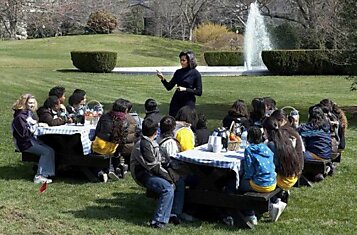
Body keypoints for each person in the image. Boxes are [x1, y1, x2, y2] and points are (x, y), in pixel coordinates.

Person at [130, 118, 184, 228]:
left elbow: (161, 161)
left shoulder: (150, 141)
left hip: (152, 172)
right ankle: (158, 221)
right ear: (156, 131)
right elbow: (153, 166)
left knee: (180, 181)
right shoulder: (144, 145)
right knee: (167, 188)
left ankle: (173, 213)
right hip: (144, 175)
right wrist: (169, 177)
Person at [12, 94, 55, 184]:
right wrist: (37, 126)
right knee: (46, 152)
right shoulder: (20, 117)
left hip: (31, 140)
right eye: (29, 103)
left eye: (33, 103)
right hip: (24, 143)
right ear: (24, 103)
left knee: (50, 150)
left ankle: (46, 174)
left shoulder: (29, 114)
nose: (32, 105)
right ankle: (39, 176)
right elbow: (23, 134)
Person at [239, 126, 277, 225]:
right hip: (272, 182)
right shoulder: (267, 147)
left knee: (238, 185)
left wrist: (243, 178)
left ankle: (249, 213)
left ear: (249, 137)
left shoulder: (249, 150)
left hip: (260, 184)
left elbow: (249, 171)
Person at [92, 98, 129, 181]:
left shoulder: (105, 116)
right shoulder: (125, 121)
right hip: (113, 147)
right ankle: (112, 170)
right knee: (112, 156)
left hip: (99, 146)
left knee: (96, 160)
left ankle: (101, 172)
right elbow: (123, 140)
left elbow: (97, 131)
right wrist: (118, 152)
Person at [262, 116, 304, 190]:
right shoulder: (285, 139)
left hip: (283, 181)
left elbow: (272, 166)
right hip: (293, 176)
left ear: (265, 130)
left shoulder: (271, 144)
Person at [157, 50, 202, 117]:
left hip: (188, 102)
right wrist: (163, 79)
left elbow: (199, 92)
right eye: (180, 60)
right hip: (177, 100)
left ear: (190, 61)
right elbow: (169, 87)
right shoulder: (178, 72)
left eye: (184, 60)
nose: (181, 62)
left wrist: (185, 89)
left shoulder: (195, 74)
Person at [298, 105, 332, 181]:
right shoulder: (325, 126)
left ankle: (295, 173)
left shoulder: (311, 127)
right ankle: (319, 172)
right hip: (327, 154)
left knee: (297, 154)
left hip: (317, 155)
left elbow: (298, 132)